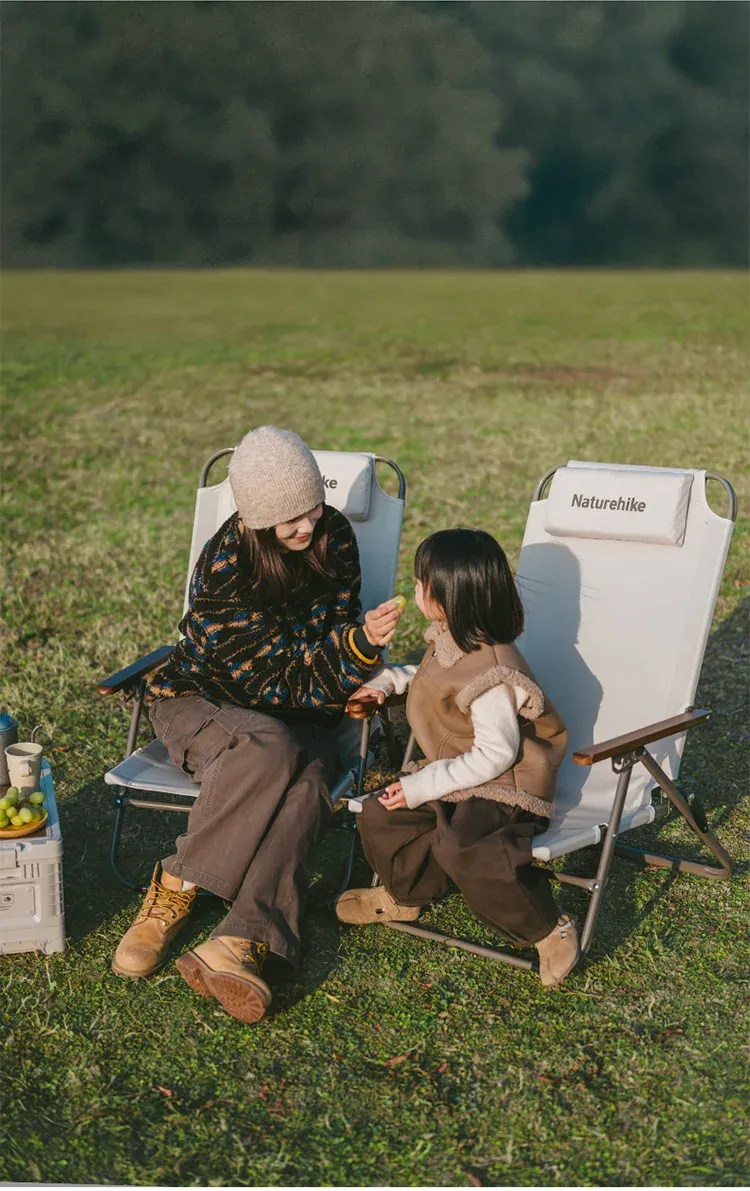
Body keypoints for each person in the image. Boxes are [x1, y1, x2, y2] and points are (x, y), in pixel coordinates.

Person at [112, 426, 404, 1022]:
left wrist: (355, 644)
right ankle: (176, 888)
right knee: (269, 746)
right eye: (289, 519)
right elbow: (274, 683)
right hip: (202, 701)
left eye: (312, 507)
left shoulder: (334, 537)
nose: (307, 525)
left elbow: (323, 650)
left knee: (310, 780)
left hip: (301, 710)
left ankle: (240, 940)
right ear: (255, 520)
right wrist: (355, 649)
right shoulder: (225, 567)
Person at [336, 528, 579, 987]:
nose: (414, 588)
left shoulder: (493, 673)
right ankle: (406, 894)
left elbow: (496, 755)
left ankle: (547, 927)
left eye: (421, 582)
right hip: (464, 774)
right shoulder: (454, 638)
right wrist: (387, 683)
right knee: (379, 813)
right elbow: (431, 677)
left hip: (508, 786)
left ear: (446, 597)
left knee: (466, 846)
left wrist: (420, 786)